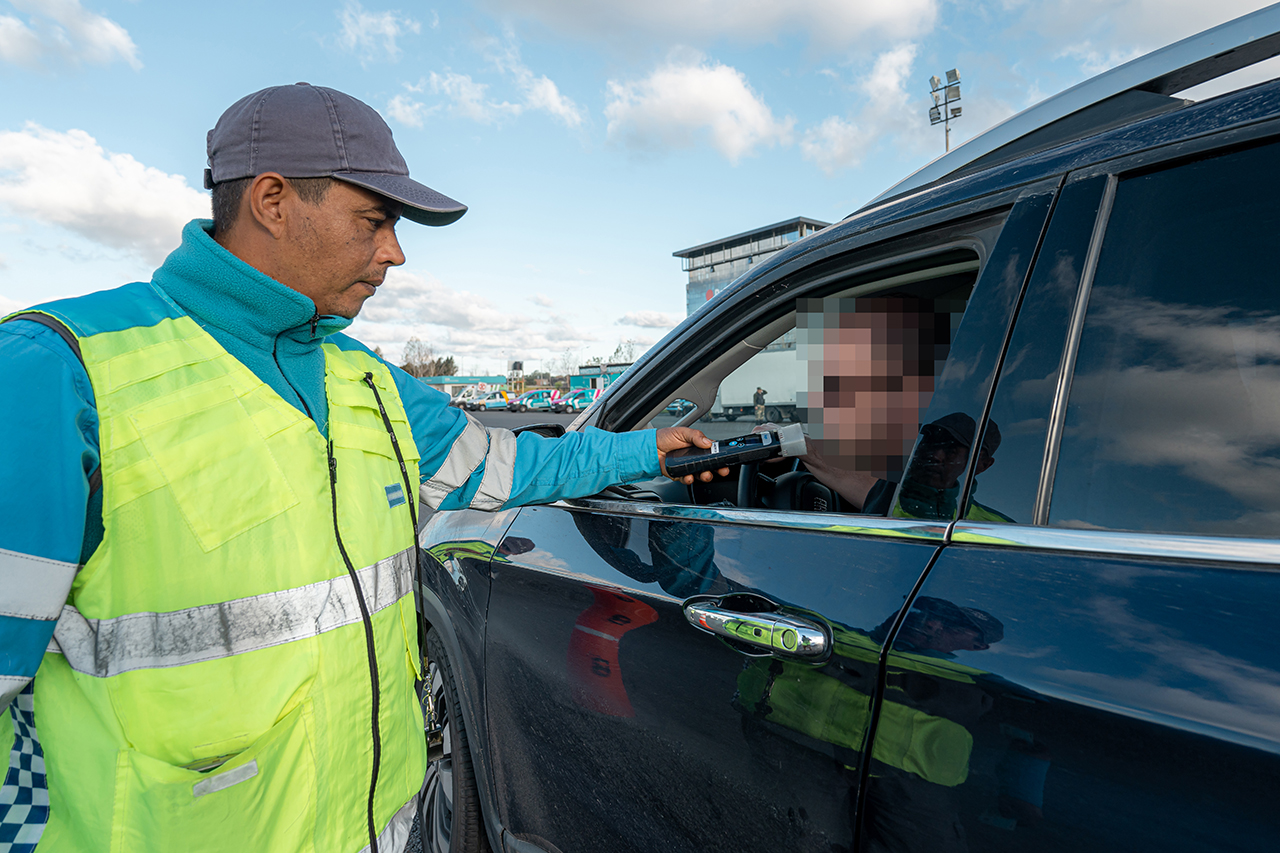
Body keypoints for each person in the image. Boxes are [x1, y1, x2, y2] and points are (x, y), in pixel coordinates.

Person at [0, 83, 724, 853]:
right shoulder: (60, 374)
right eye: (374, 221)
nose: (395, 252)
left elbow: (510, 466)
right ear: (273, 201)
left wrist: (647, 449)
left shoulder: (367, 379)